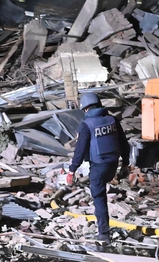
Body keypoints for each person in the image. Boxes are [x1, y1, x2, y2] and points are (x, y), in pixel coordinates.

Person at [67, 92, 130, 243]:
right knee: (102, 191)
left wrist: (72, 169)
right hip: (113, 164)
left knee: (99, 198)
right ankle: (104, 229)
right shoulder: (112, 120)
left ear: (85, 108)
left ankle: (103, 233)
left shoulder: (87, 125)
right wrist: (126, 163)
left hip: (98, 166)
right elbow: (123, 142)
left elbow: (80, 150)